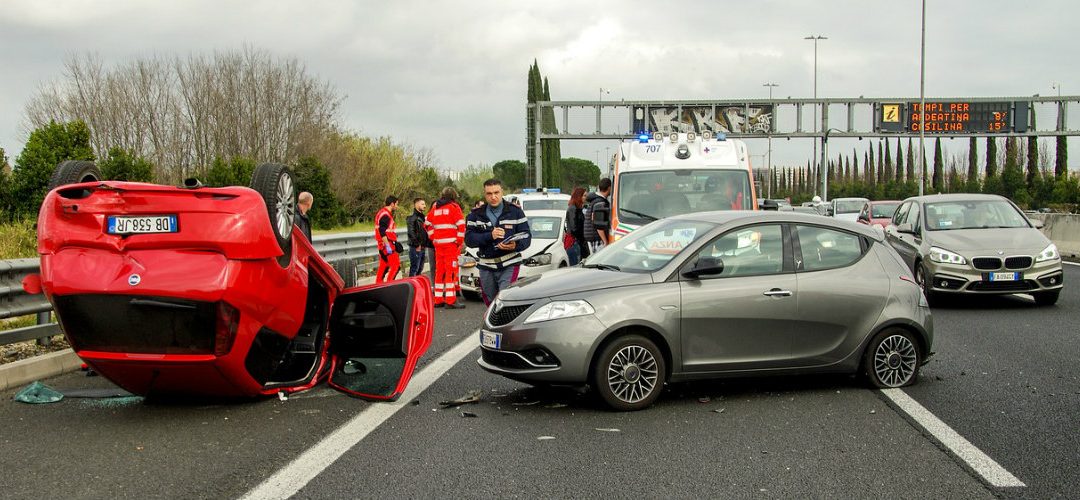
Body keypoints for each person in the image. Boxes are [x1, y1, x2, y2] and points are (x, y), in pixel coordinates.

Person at [465, 178, 531, 305]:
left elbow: (527, 237)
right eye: (489, 194)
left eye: (496, 192)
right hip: (486, 265)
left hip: (509, 264)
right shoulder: (476, 214)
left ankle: (507, 324)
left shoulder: (515, 212)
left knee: (505, 298)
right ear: (485, 195)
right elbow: (469, 240)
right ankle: (492, 324)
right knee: (490, 302)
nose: (493, 197)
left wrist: (515, 245)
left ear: (502, 192)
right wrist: (490, 235)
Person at [425, 188, 466, 308]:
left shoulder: (436, 207)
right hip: (450, 246)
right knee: (451, 272)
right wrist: (459, 241)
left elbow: (427, 223)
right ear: (453, 196)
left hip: (439, 245)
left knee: (440, 272)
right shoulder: (454, 207)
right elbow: (461, 225)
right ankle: (450, 300)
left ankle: (438, 299)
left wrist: (433, 237)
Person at [374, 196, 401, 283]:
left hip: (382, 245)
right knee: (396, 266)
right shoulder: (386, 215)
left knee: (384, 266)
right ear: (392, 204)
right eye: (396, 204)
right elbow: (382, 231)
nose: (397, 206)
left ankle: (378, 285)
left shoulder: (381, 213)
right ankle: (390, 285)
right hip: (387, 244)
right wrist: (388, 245)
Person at [583, 178, 612, 253]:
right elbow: (599, 224)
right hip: (596, 238)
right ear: (609, 188)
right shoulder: (600, 203)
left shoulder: (595, 200)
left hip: (592, 236)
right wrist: (605, 241)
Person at [406, 198, 430, 277]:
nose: (425, 206)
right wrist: (417, 245)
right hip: (415, 247)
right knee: (414, 269)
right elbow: (411, 233)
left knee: (420, 268)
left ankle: (416, 287)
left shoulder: (422, 218)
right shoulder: (412, 218)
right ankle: (411, 287)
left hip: (422, 247)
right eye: (422, 204)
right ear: (416, 205)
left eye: (424, 204)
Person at [564, 187, 588, 265]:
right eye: (584, 196)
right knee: (575, 267)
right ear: (579, 196)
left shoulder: (578, 209)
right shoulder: (572, 208)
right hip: (574, 242)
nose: (585, 198)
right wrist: (582, 238)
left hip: (578, 241)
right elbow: (574, 228)